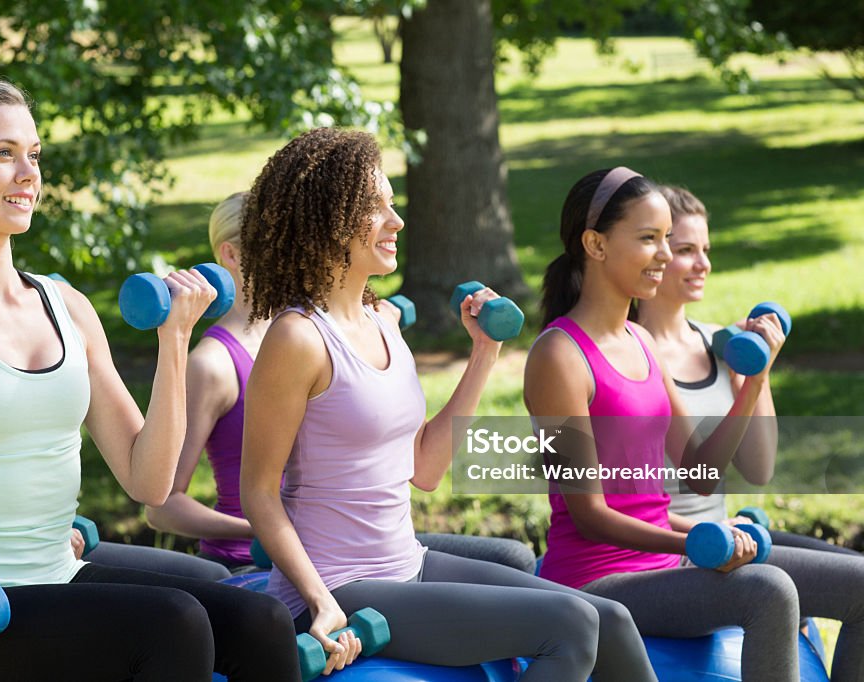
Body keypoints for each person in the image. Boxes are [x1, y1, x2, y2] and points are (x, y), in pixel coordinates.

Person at [0, 79, 298, 681]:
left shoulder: (66, 305)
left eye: (33, 154)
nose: (28, 173)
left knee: (260, 620)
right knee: (174, 621)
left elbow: (149, 479)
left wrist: (174, 339)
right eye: (3, 153)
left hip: (60, 577)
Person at [239, 128, 657, 681]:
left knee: (611, 618)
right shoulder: (298, 338)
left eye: (393, 204)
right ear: (328, 220)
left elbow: (426, 469)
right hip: (343, 585)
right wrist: (320, 601)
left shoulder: (382, 322)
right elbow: (259, 492)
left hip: (407, 563)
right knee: (571, 624)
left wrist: (484, 353)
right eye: (376, 208)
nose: (397, 222)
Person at [524, 167, 864, 682]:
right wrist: (698, 542)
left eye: (666, 239)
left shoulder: (641, 343)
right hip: (599, 580)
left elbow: (700, 473)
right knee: (769, 592)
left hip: (667, 564)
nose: (664, 254)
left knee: (858, 584)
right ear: (595, 244)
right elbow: (589, 514)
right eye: (648, 239)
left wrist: (754, 381)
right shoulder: (558, 354)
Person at [145, 192, 536, 575]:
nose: (292, 249)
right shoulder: (213, 364)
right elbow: (162, 506)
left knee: (512, 557)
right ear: (230, 255)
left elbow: (424, 470)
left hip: (351, 545)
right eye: (274, 239)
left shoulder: (324, 333)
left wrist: (482, 350)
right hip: (253, 560)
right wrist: (260, 528)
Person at [636, 184, 864, 676]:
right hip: (686, 550)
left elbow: (757, 469)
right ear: (653, 254)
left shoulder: (720, 343)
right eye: (686, 251)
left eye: (706, 251)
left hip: (729, 534)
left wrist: (757, 374)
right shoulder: (631, 355)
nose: (703, 264)